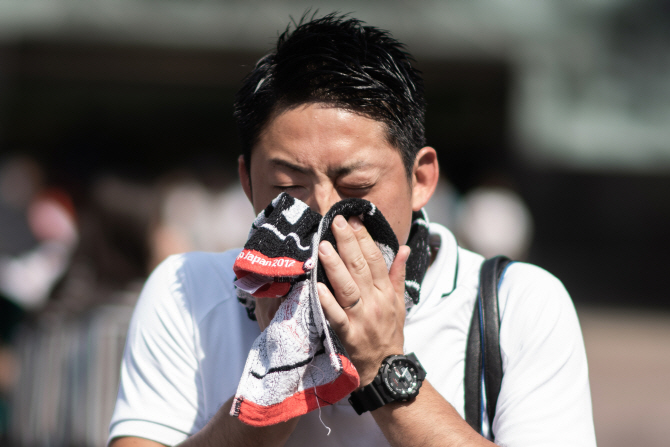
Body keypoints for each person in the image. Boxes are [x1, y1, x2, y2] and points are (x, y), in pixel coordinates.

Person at [108, 13, 596, 447]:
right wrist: (268, 396)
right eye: (288, 186)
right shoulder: (187, 292)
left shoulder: (519, 304)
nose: (324, 212)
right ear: (246, 182)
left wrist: (383, 368)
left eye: (356, 184)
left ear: (421, 179)